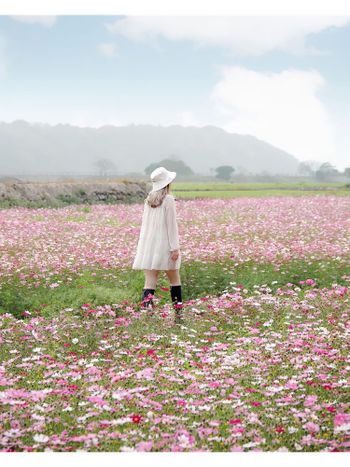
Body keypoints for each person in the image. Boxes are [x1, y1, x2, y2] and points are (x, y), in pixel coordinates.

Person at [132, 166, 183, 317]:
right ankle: (178, 315)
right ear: (167, 183)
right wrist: (174, 248)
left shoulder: (148, 200)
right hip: (165, 246)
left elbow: (145, 226)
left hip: (149, 247)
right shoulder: (168, 200)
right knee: (174, 280)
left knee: (149, 283)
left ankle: (146, 315)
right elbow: (171, 226)